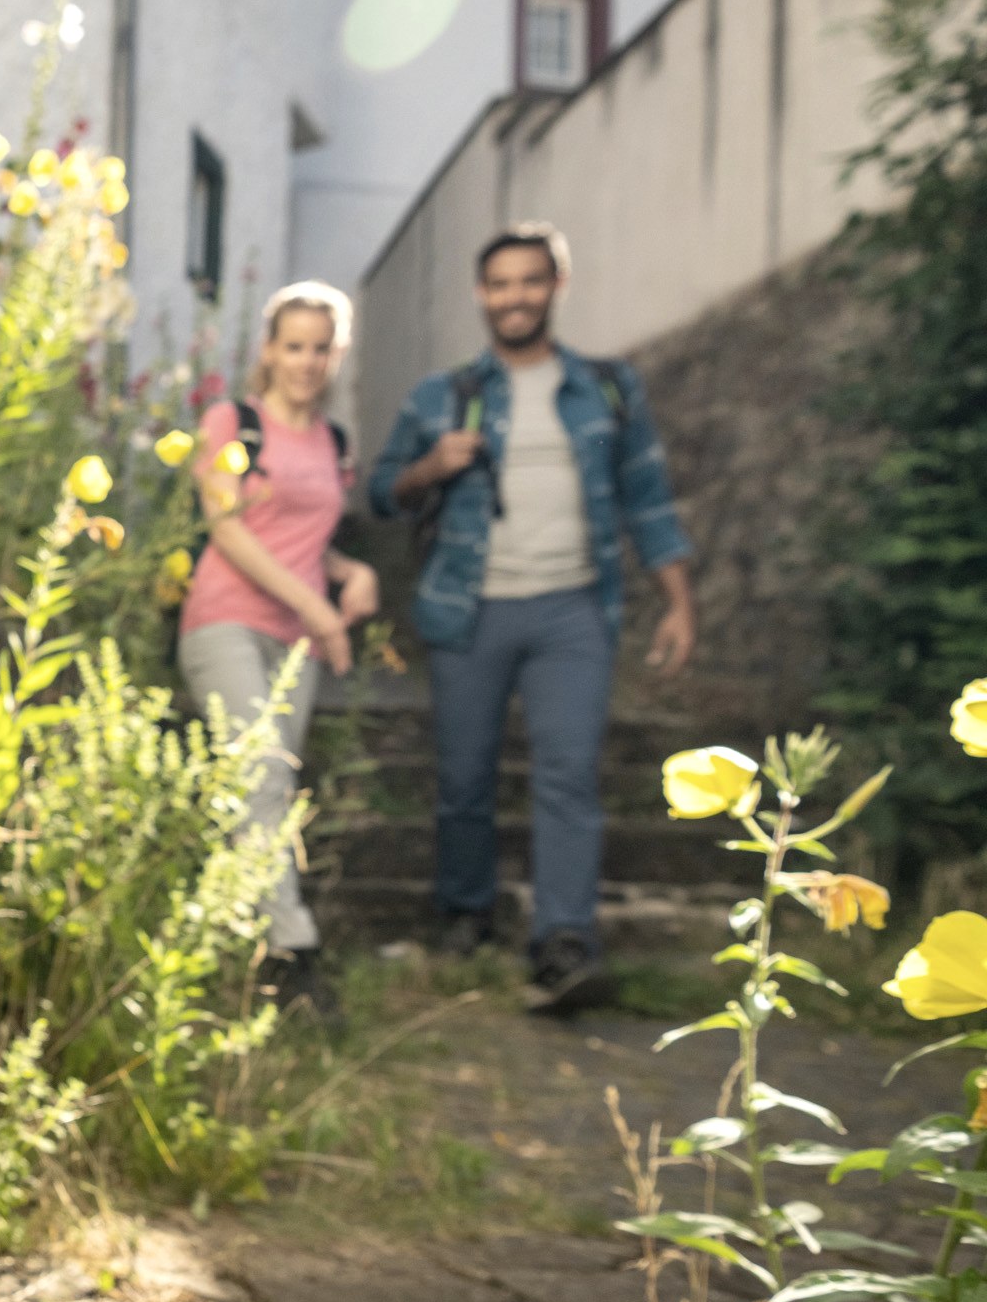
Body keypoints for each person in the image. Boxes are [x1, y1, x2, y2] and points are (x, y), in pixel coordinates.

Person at [366, 223, 695, 1015]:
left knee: (569, 774)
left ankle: (564, 940)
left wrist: (679, 600)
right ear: (482, 294)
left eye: (530, 280)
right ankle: (464, 913)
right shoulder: (441, 395)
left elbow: (647, 496)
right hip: (469, 609)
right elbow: (381, 492)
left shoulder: (607, 388)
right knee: (464, 777)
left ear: (555, 286)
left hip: (573, 609)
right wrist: (430, 465)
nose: (515, 296)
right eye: (501, 283)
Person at [177, 280, 380, 1014]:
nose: (307, 361)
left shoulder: (334, 443)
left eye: (321, 348)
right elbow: (229, 529)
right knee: (259, 773)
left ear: (337, 354)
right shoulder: (232, 423)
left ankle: (230, 953)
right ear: (269, 350)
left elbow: (301, 540)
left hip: (297, 641)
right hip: (225, 620)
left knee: (267, 793)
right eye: (294, 346)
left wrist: (351, 572)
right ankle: (295, 955)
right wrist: (320, 611)